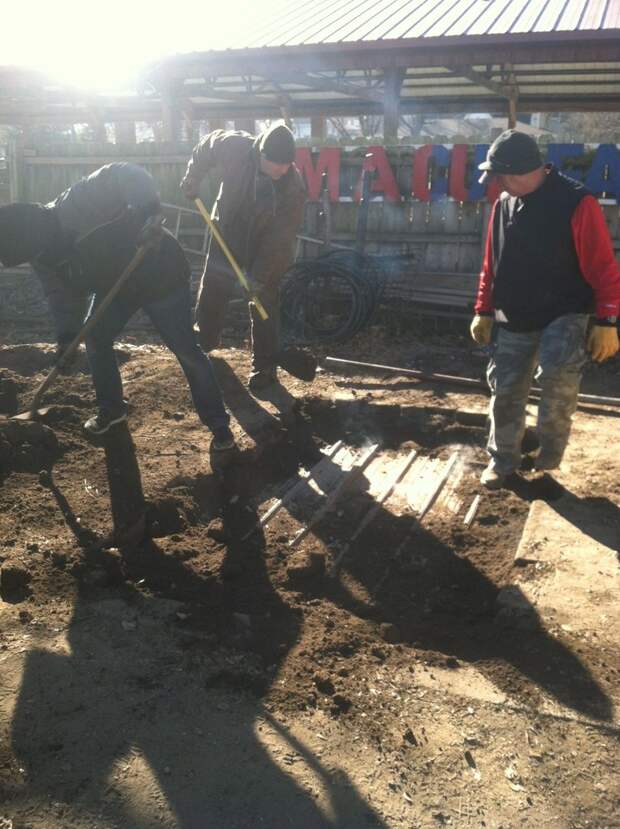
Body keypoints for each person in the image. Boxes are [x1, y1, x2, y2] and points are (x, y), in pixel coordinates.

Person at [0, 162, 235, 449]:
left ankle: (218, 423)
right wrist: (67, 337)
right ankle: (112, 410)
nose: (34, 258)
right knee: (96, 337)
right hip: (117, 289)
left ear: (33, 235)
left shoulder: (78, 202)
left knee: (185, 349)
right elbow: (60, 296)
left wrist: (148, 212)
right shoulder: (42, 257)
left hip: (159, 272)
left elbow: (127, 172)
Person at [470, 129, 620, 489]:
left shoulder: (575, 201)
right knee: (505, 389)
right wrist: (484, 308)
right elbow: (492, 263)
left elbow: (603, 265)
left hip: (565, 310)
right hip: (514, 312)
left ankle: (548, 460)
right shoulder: (504, 204)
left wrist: (607, 319)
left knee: (557, 379)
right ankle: (503, 461)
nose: (498, 183)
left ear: (523, 170)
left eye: (502, 175)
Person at [180, 123, 306, 392]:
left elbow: (279, 239)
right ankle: (205, 342)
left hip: (265, 243)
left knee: (264, 299)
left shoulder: (292, 186)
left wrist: (257, 277)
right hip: (226, 228)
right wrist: (193, 176)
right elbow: (206, 146)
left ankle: (264, 366)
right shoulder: (235, 146)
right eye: (277, 164)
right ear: (261, 154)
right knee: (214, 286)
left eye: (287, 165)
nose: (283, 170)